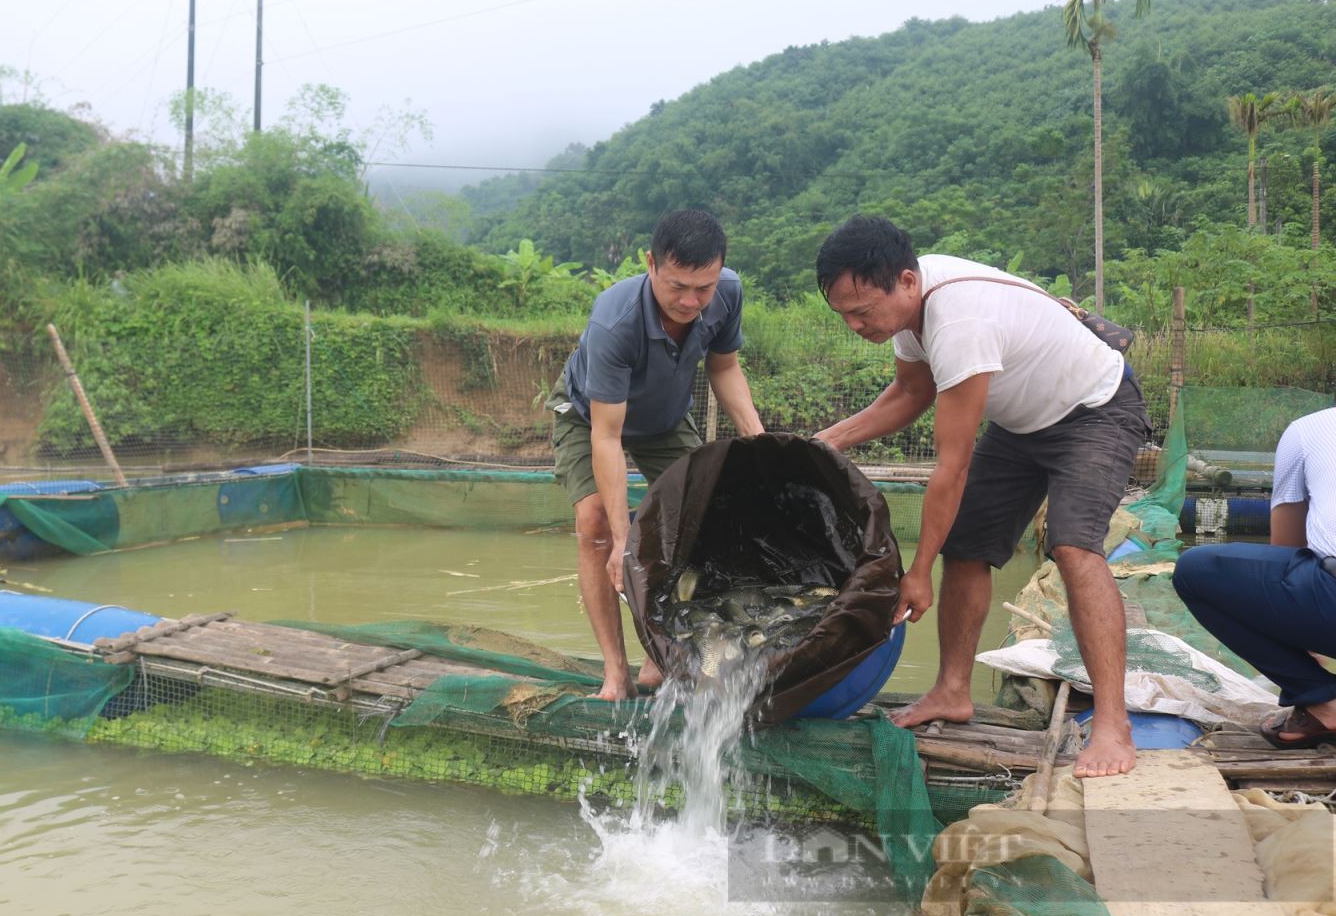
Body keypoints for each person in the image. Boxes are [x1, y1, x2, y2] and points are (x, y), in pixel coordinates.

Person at [812, 216, 1150, 778]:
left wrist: (917, 572)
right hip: (1022, 423)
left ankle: (1113, 724)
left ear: (905, 281)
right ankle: (952, 690)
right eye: (843, 314)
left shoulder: (959, 320)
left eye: (863, 311)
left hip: (1095, 409)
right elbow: (910, 392)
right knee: (967, 546)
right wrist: (823, 443)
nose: (854, 325)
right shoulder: (907, 309)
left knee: (1073, 547)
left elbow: (952, 465)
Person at [549, 209, 765, 702]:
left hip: (664, 418)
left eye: (703, 288)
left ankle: (659, 657)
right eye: (677, 286)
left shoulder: (727, 292)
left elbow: (725, 367)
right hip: (589, 417)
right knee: (596, 525)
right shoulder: (615, 319)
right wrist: (624, 541)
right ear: (651, 264)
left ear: (720, 271)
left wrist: (758, 440)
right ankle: (615, 671)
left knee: (701, 518)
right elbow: (607, 437)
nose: (690, 301)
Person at [1173, 407, 1336, 748]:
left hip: (1328, 602)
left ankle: (1323, 700)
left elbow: (1286, 554)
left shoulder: (1309, 429)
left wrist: (1299, 644)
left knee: (1195, 571)